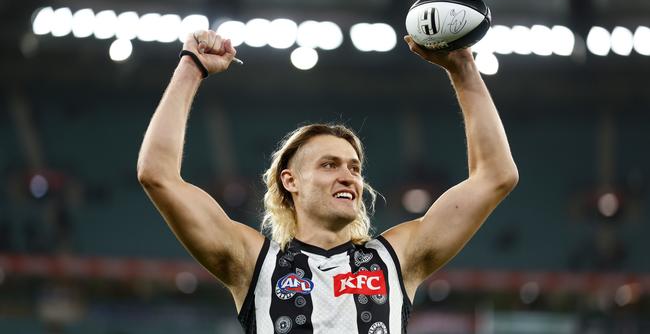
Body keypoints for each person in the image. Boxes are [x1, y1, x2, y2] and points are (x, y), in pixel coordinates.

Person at [137, 30, 518, 333]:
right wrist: (191, 68)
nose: (348, 177)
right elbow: (158, 175)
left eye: (354, 168)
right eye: (329, 165)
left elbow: (495, 176)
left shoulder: (396, 258)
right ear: (290, 181)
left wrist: (463, 68)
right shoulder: (254, 261)